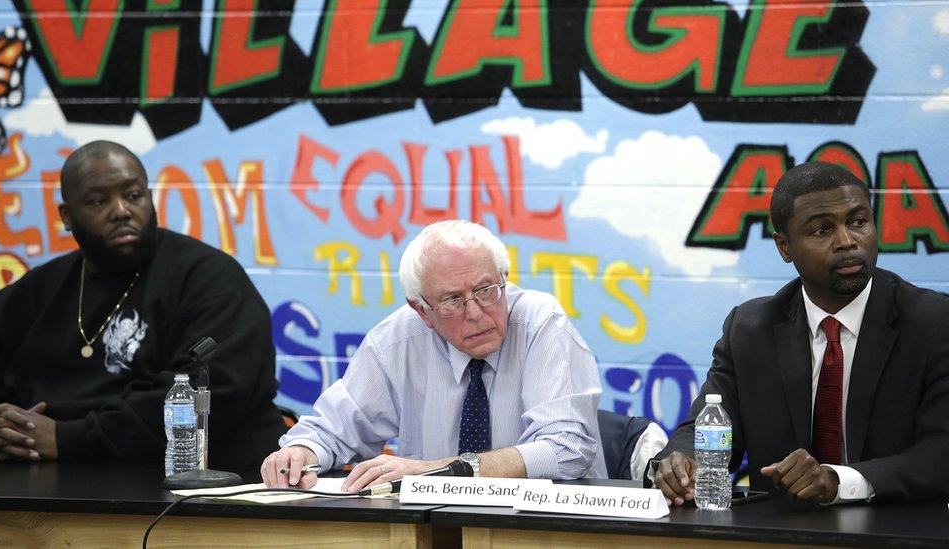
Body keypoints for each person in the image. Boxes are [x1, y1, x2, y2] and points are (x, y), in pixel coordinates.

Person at [650, 161, 949, 504]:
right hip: (779, 533)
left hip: (898, 530)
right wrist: (681, 463)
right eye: (822, 230)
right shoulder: (750, 331)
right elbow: (707, 429)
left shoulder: (933, 323)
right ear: (784, 247)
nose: (847, 241)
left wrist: (840, 481)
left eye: (858, 222)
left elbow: (941, 454)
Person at [0, 140, 283, 471]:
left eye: (134, 196)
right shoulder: (26, 300)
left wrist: (67, 438)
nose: (121, 211)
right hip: (37, 488)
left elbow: (205, 395)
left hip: (191, 487)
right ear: (66, 215)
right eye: (98, 201)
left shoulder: (211, 281)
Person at [262, 220, 606, 491]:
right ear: (422, 310)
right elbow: (333, 430)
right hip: (432, 530)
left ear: (504, 278)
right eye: (453, 300)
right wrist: (302, 453)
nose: (475, 312)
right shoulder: (396, 341)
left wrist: (436, 471)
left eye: (486, 290)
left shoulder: (539, 322)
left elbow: (566, 450)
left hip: (544, 528)